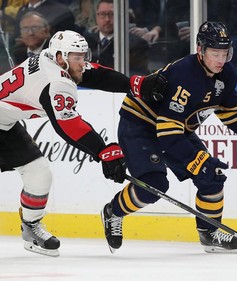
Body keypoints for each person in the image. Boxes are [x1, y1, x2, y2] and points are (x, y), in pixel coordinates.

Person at [100, 21, 237, 254]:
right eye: (214, 53)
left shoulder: (225, 73)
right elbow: (167, 134)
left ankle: (210, 233)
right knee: (153, 185)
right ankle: (112, 212)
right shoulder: (185, 75)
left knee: (212, 176)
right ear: (200, 50)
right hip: (140, 124)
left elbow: (233, 113)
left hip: (175, 128)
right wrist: (196, 161)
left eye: (224, 53)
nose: (220, 59)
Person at [0, 29, 167, 257]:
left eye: (82, 56)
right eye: (77, 58)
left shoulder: (54, 58)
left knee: (38, 173)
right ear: (61, 57)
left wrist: (132, 84)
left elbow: (94, 74)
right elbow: (67, 125)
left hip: (4, 124)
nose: (83, 62)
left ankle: (30, 228)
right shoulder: (56, 82)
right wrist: (103, 151)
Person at [85, 0, 150, 75]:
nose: (107, 19)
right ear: (96, 16)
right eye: (102, 14)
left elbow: (137, 75)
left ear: (120, 16)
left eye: (112, 14)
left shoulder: (137, 44)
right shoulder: (87, 41)